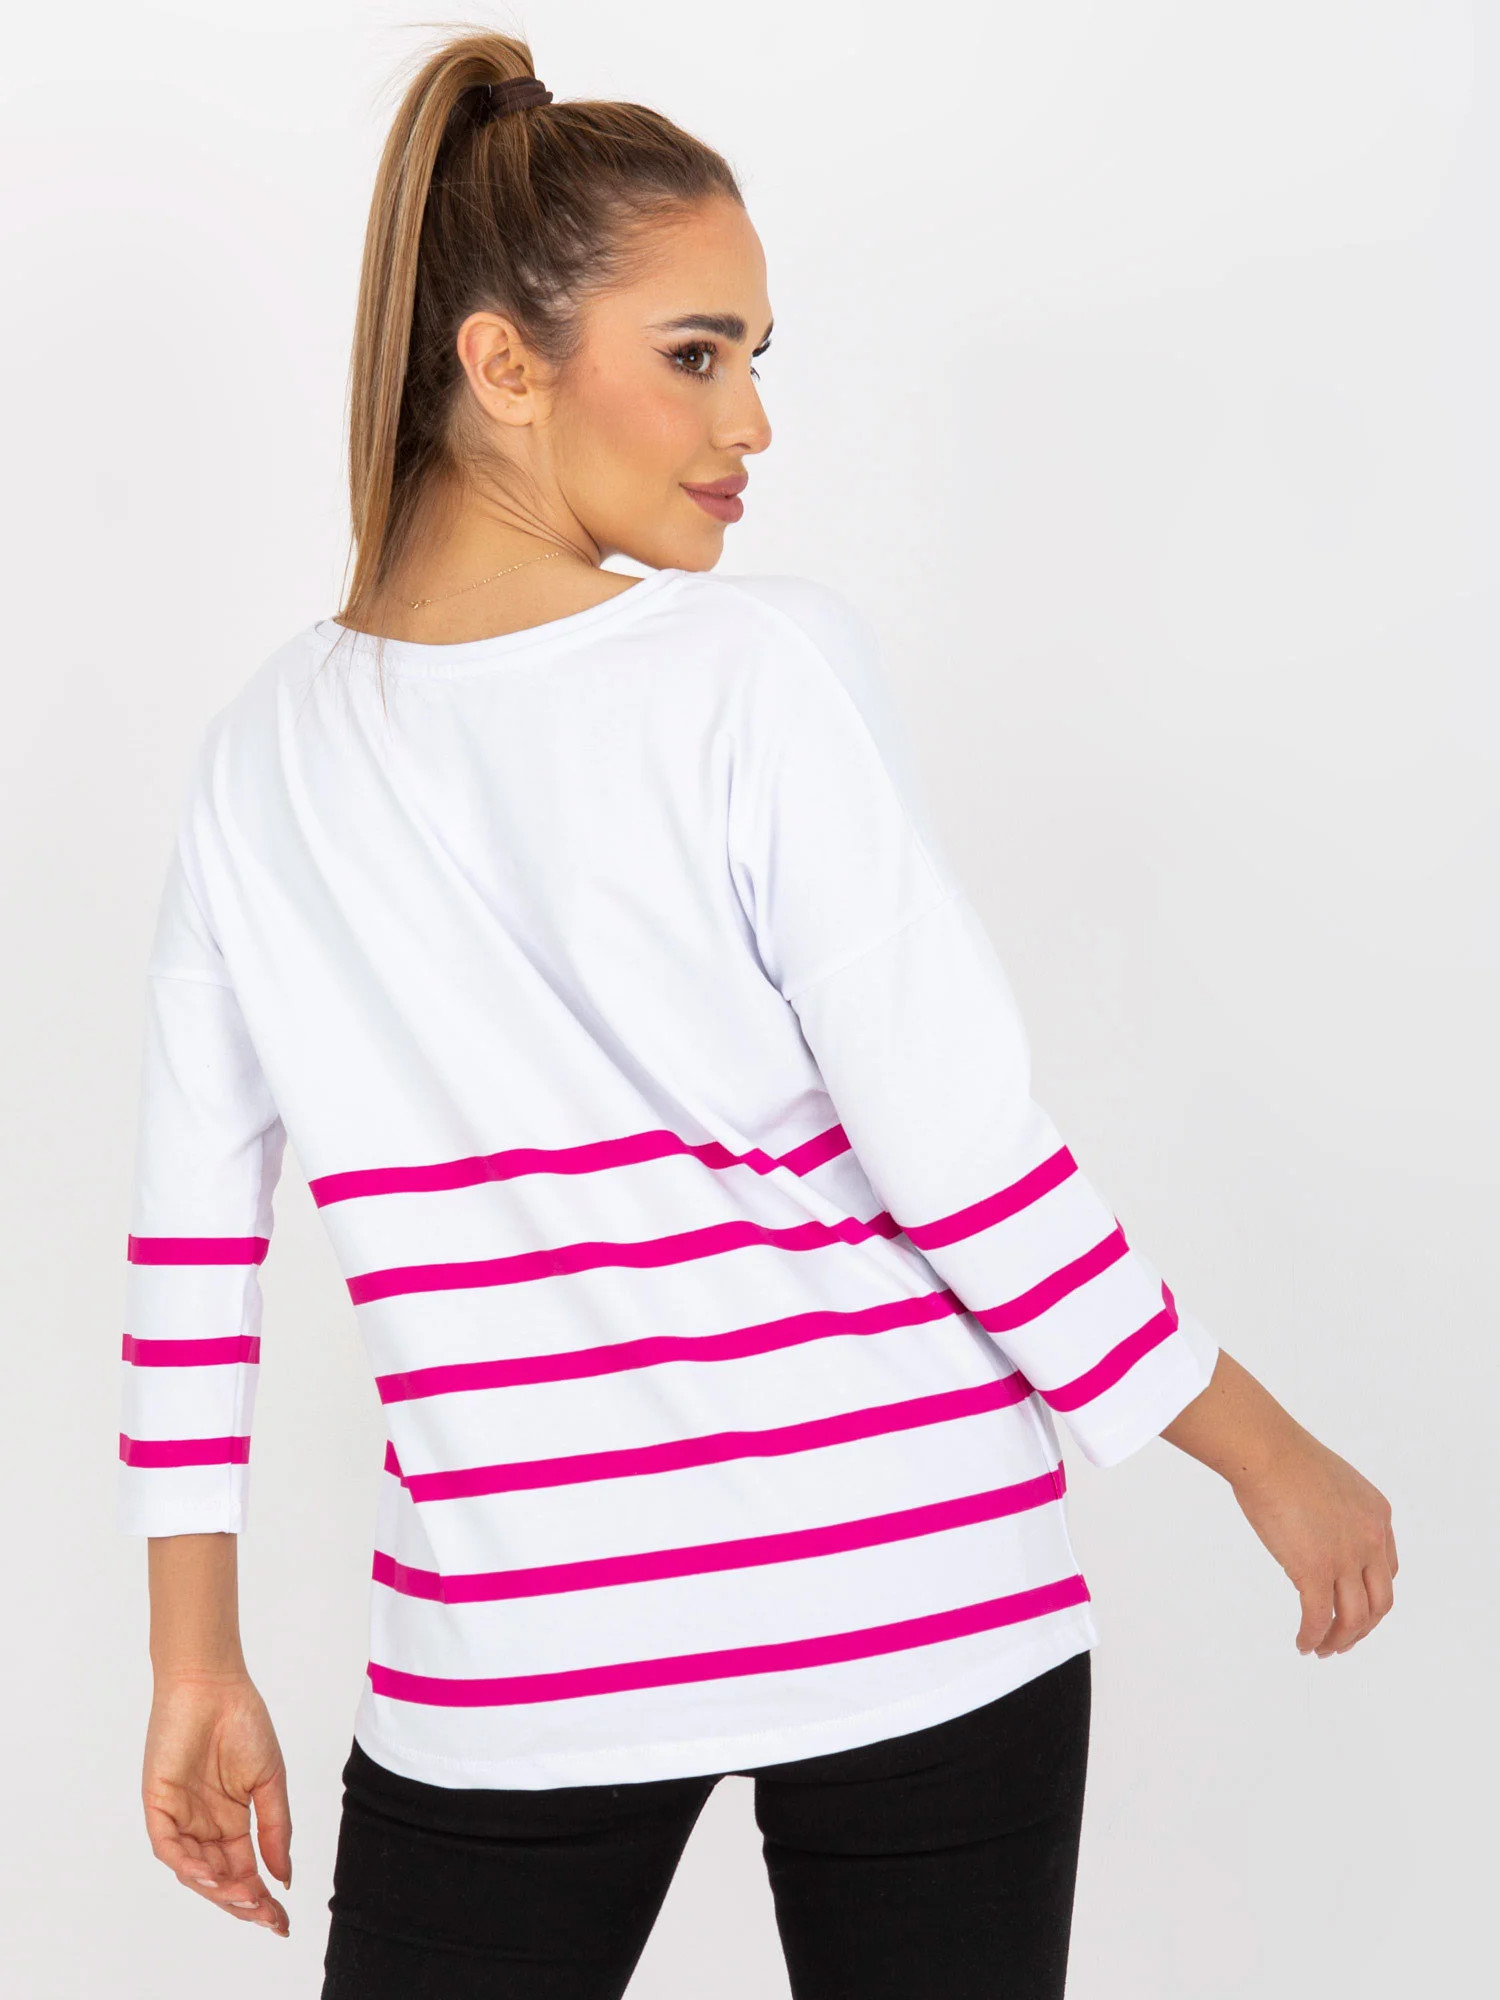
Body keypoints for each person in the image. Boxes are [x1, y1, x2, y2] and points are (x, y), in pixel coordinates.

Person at [119, 31, 1398, 1999]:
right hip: (886, 1587)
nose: (755, 421)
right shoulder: (753, 671)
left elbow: (191, 1242)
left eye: (757, 356)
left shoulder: (261, 758)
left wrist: (191, 1656)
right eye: (699, 352)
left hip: (582, 1633)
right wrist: (1257, 1444)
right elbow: (959, 1154)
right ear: (503, 363)